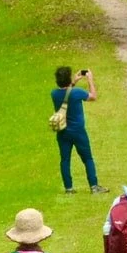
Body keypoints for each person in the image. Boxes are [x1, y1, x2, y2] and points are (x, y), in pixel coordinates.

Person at [51, 65, 105, 194]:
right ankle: (94, 186)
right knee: (87, 159)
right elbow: (93, 96)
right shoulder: (77, 92)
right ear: (68, 79)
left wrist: (74, 81)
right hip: (78, 132)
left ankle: (68, 188)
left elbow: (65, 93)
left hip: (62, 131)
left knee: (65, 160)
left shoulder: (54, 94)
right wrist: (90, 80)